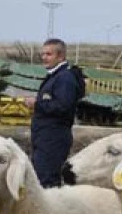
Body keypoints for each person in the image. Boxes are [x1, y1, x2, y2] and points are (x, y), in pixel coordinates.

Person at [25, 38, 83, 188]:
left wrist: (37, 104)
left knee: (47, 181)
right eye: (43, 54)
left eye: (49, 54)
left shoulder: (65, 78)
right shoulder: (54, 76)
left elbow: (63, 106)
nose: (44, 57)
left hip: (53, 139)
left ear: (61, 56)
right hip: (44, 138)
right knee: (40, 179)